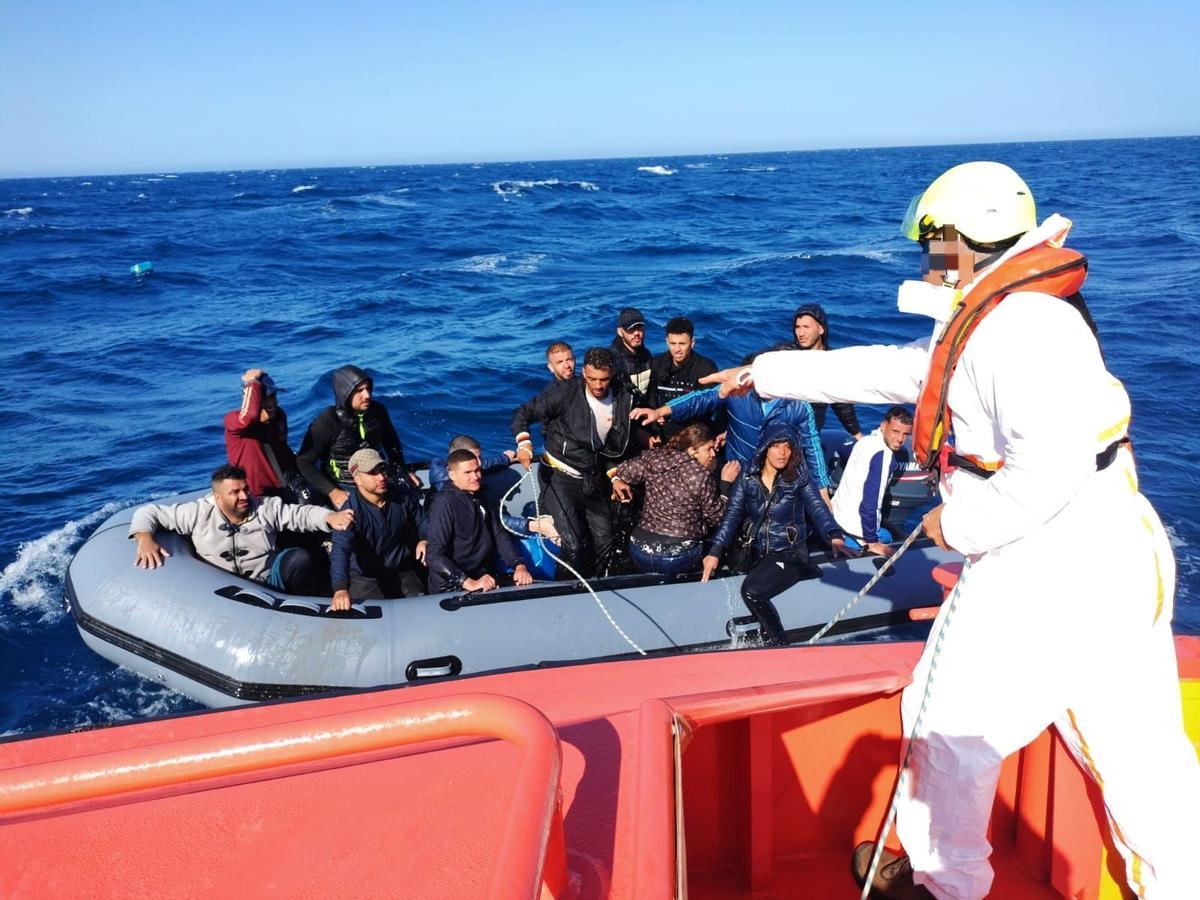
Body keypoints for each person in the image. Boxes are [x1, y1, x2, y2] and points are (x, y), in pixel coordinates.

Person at [701, 161, 1200, 898]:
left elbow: (1047, 470)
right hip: (1105, 554)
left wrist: (954, 521)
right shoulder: (1006, 314)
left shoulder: (1023, 329)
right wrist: (765, 372)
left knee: (945, 726)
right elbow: (898, 373)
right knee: (1143, 760)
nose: (923, 256)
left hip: (1044, 559)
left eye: (930, 242)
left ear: (960, 237)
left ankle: (944, 886)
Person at [130, 463, 353, 595]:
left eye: (245, 489)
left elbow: (299, 514)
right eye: (235, 492)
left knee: (300, 559)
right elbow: (148, 512)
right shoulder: (196, 512)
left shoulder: (265, 507)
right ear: (218, 497)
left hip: (267, 580)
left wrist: (330, 516)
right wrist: (145, 539)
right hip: (217, 587)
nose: (244, 496)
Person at [632, 357, 833, 499]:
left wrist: (822, 489)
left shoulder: (797, 405)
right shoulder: (739, 393)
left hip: (778, 480)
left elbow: (812, 446)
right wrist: (661, 411)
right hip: (739, 474)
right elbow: (701, 399)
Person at [512, 346, 635, 577]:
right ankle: (563, 589)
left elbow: (607, 448)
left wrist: (615, 476)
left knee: (606, 539)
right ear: (584, 373)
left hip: (592, 476)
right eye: (592, 379)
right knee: (573, 545)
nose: (598, 385)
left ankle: (597, 584)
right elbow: (522, 414)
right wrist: (523, 443)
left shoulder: (622, 396)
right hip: (559, 476)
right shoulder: (564, 394)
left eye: (604, 379)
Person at [702, 423, 846, 583]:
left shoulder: (799, 477)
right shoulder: (748, 477)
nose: (783, 453)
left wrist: (833, 534)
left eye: (788, 447)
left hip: (789, 553)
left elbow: (817, 507)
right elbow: (732, 514)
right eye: (776, 446)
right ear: (765, 448)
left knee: (752, 591)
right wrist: (715, 551)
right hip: (756, 552)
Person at [610, 423, 739, 574]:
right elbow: (716, 518)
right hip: (677, 556)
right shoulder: (701, 476)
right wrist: (725, 484)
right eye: (708, 449)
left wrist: (617, 480)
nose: (713, 455)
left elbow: (624, 471)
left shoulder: (655, 457)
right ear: (692, 451)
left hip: (639, 549)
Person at [296, 365, 415, 509]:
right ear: (344, 393)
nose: (367, 395)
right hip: (344, 483)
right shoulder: (327, 422)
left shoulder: (378, 411)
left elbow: (392, 444)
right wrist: (332, 492)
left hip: (377, 475)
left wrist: (401, 471)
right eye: (359, 391)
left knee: (408, 502)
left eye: (368, 389)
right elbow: (303, 462)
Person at [329, 449, 428, 610]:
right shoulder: (351, 511)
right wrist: (340, 588)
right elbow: (340, 551)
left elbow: (422, 520)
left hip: (403, 570)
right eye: (372, 473)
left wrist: (424, 538)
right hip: (367, 579)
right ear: (358, 479)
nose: (381, 477)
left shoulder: (401, 496)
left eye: (381, 470)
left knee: (420, 610)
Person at [426, 449, 533, 593]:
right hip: (451, 586)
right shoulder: (444, 503)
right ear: (452, 475)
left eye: (477, 470)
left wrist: (518, 565)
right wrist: (468, 582)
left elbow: (498, 534)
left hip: (483, 576)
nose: (475, 477)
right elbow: (434, 555)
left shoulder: (480, 496)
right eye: (467, 473)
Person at [428, 434, 560, 543]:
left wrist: (505, 458)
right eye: (474, 458)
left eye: (479, 457)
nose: (479, 463)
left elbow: (485, 464)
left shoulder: (462, 469)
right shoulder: (446, 490)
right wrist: (531, 525)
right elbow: (488, 519)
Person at [829, 406, 913, 556]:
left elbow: (843, 450)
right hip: (853, 533)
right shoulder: (884, 456)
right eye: (895, 431)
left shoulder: (864, 441)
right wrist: (872, 541)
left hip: (833, 521)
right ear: (883, 426)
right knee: (887, 536)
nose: (900, 439)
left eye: (906, 434)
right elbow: (870, 503)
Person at [771, 304, 864, 439]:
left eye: (806, 327)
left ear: (821, 329)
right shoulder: (783, 352)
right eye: (797, 327)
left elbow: (841, 403)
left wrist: (857, 435)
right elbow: (751, 363)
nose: (801, 333)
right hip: (780, 431)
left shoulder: (831, 361)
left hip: (811, 433)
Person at [224, 368, 305, 500]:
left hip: (281, 492)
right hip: (252, 497)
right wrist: (251, 382)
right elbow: (248, 417)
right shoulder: (234, 421)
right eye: (264, 398)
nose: (271, 403)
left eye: (273, 397)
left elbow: (282, 450)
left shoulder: (278, 417)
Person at [648, 316, 719, 429]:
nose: (677, 349)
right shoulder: (656, 364)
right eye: (672, 343)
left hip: (693, 432)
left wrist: (669, 414)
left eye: (682, 344)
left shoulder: (706, 368)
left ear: (692, 342)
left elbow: (706, 408)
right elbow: (651, 399)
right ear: (666, 342)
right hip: (662, 429)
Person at [610, 306, 653, 406]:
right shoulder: (611, 359)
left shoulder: (647, 355)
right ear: (620, 332)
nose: (636, 333)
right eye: (631, 329)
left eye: (639, 328)